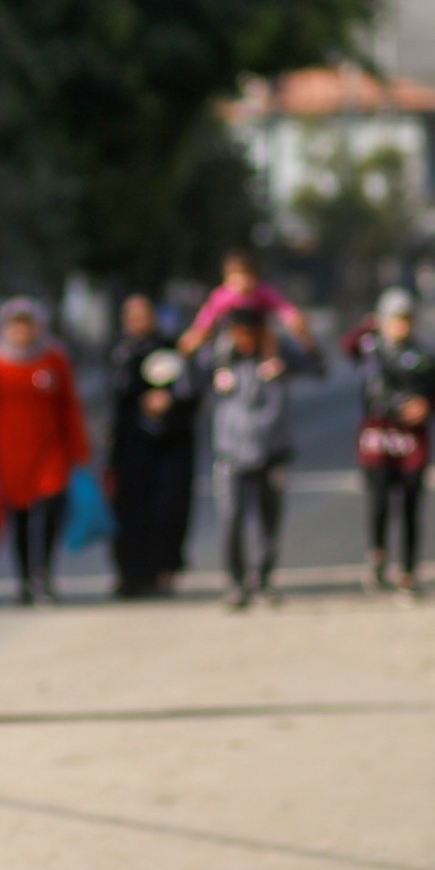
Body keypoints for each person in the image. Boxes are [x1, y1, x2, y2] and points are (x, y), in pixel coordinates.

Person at [342, 288, 435, 600]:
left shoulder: (424, 357)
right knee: (378, 503)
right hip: (377, 440)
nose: (400, 326)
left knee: (409, 506)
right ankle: (377, 557)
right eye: (394, 319)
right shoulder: (371, 353)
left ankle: (408, 571)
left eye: (406, 319)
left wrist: (426, 407)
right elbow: (347, 346)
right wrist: (368, 326)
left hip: (412, 443)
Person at [0, 298, 91, 605]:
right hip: (9, 456)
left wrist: (78, 450)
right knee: (21, 520)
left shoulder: (53, 360)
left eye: (27, 325)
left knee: (51, 514)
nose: (22, 332)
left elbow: (69, 407)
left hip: (50, 453)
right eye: (16, 325)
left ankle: (45, 574)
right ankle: (25, 579)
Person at [202, 304, 308, 611]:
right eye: (238, 334)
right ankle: (236, 583)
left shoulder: (278, 356)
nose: (245, 340)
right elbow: (187, 370)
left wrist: (297, 340)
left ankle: (263, 578)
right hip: (230, 454)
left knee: (268, 520)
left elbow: (317, 365)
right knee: (231, 518)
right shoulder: (219, 359)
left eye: (251, 334)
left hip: (271, 453)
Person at [105, 294, 200, 599]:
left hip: (171, 443)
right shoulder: (119, 353)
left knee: (168, 507)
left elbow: (190, 390)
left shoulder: (171, 350)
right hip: (132, 446)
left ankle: (164, 570)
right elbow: (116, 400)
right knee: (130, 510)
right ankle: (131, 574)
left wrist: (169, 402)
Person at [175, 249, 316, 358]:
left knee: (272, 336)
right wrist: (192, 340)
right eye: (235, 276)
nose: (241, 282)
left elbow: (285, 310)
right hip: (232, 338)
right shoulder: (222, 296)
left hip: (260, 336)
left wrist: (301, 332)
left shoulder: (262, 292)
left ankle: (271, 362)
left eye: (246, 275)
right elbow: (205, 321)